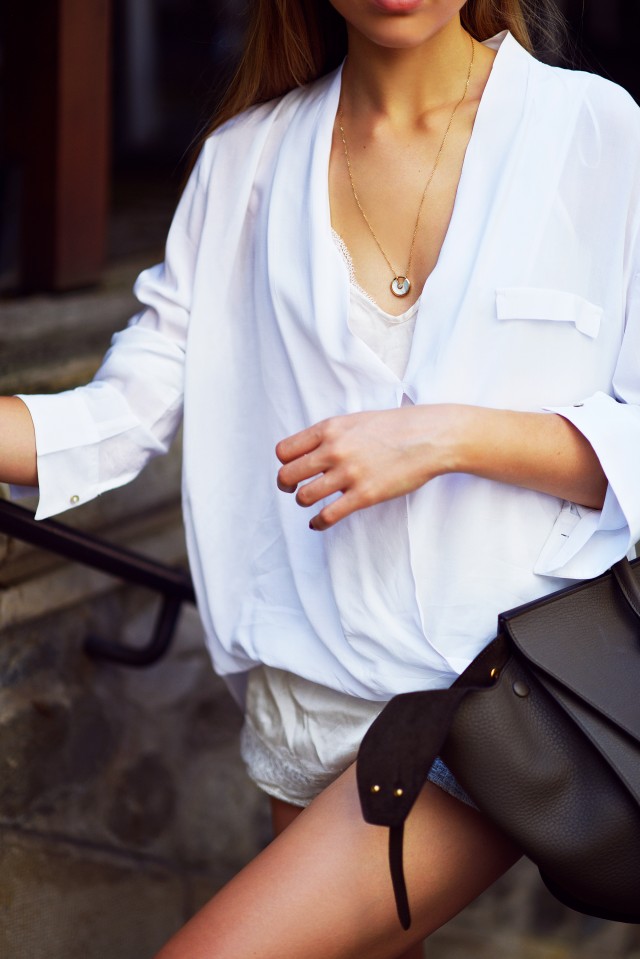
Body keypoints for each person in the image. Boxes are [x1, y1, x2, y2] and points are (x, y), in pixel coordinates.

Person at [3, 0, 640, 956]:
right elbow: (119, 416)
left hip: (492, 697)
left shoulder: (596, 130)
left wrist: (449, 436)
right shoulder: (245, 161)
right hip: (304, 700)